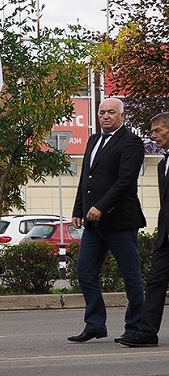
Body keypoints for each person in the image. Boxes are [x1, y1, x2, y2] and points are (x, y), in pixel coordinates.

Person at [68, 97, 146, 343]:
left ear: (122, 116)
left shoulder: (131, 143)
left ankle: (135, 327)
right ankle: (95, 324)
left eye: (111, 112)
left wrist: (101, 207)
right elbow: (86, 179)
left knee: (131, 275)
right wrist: (78, 209)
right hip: (93, 224)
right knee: (85, 272)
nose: (105, 116)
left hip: (121, 222)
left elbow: (125, 181)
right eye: (102, 112)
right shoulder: (93, 140)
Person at [118, 112, 169, 347]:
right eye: (153, 131)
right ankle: (147, 332)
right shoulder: (162, 164)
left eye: (159, 130)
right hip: (165, 237)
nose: (154, 135)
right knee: (156, 282)